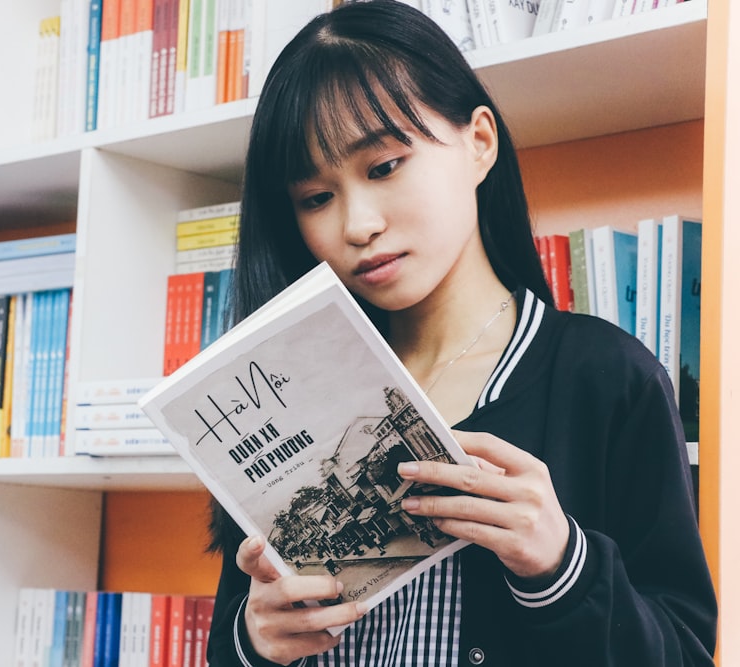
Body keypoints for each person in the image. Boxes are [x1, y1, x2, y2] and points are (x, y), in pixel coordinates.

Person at [204, 1, 718, 666]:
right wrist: (253, 641)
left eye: (384, 166)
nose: (357, 224)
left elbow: (683, 651)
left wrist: (562, 563)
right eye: (315, 197)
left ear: (479, 142)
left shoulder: (606, 378)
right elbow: (232, 643)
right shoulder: (290, 396)